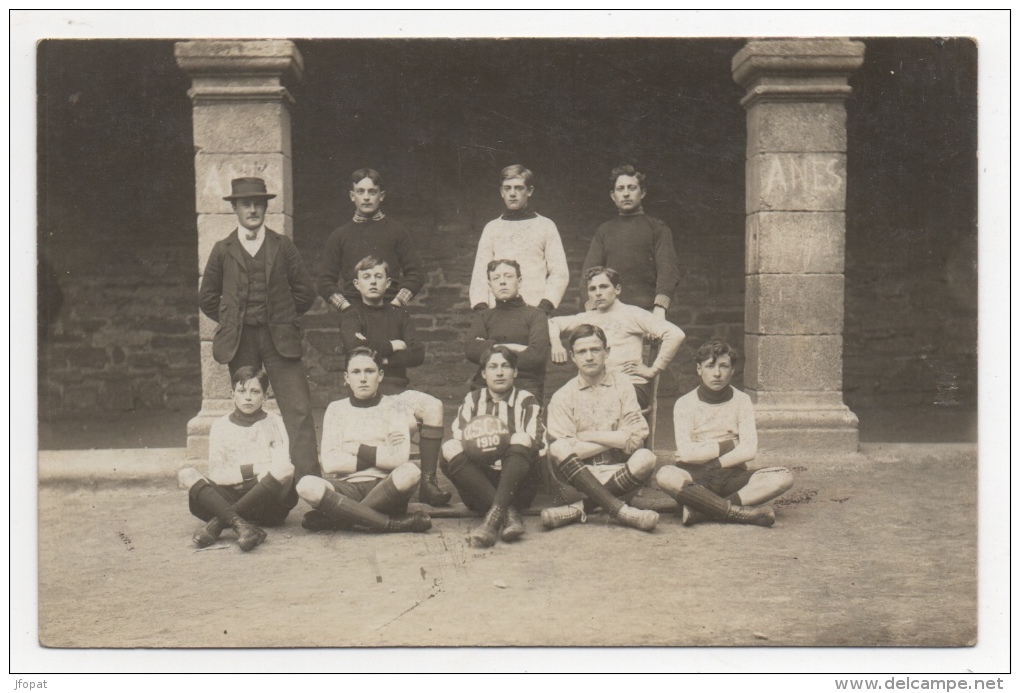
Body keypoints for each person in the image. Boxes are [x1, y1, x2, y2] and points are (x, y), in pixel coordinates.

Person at [199, 177, 319, 481]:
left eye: (257, 204)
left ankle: (309, 485)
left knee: (299, 411)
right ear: (235, 209)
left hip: (280, 338)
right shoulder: (222, 250)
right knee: (248, 409)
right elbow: (208, 297)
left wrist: (283, 316)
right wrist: (232, 319)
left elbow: (305, 291)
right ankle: (252, 485)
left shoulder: (283, 246)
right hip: (242, 341)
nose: (252, 209)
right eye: (245, 204)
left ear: (265, 207)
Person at [295, 347, 438, 533]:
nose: (363, 378)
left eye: (369, 371)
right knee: (306, 485)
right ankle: (391, 524)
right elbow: (330, 464)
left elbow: (399, 459)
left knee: (410, 472)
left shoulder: (395, 406)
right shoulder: (336, 409)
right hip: (345, 489)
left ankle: (339, 518)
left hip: (384, 487)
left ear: (380, 375)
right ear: (347, 378)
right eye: (356, 372)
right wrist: (381, 450)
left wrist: (355, 448)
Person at [656, 341, 794, 527]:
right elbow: (687, 453)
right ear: (699, 369)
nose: (717, 373)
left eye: (724, 366)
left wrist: (713, 461)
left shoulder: (742, 401)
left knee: (783, 476)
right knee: (665, 474)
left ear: (733, 369)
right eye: (710, 366)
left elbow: (749, 450)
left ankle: (702, 511)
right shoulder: (684, 403)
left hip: (731, 475)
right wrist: (729, 445)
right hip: (696, 478)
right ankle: (737, 512)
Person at [542, 324, 660, 532]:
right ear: (572, 356)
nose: (589, 357)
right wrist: (618, 439)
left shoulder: (623, 385)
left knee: (646, 458)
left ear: (607, 352)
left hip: (619, 476)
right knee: (558, 448)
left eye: (595, 350)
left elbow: (638, 436)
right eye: (582, 351)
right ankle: (622, 511)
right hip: (578, 479)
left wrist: (589, 436)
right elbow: (567, 450)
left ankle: (579, 509)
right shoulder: (563, 395)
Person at [178, 367, 296, 552]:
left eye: (255, 391)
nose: (248, 397)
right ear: (232, 394)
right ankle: (243, 526)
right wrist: (256, 469)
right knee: (186, 474)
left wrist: (239, 478)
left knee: (286, 469)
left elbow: (281, 467)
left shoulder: (274, 422)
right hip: (239, 492)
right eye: (242, 391)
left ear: (265, 396)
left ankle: (219, 522)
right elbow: (218, 476)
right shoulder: (220, 425)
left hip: (266, 503)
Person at [441, 345, 545, 547]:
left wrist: (501, 442)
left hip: (517, 486)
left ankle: (491, 522)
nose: (499, 372)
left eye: (505, 366)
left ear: (515, 372)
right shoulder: (472, 400)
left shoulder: (527, 400)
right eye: (493, 367)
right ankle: (507, 514)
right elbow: (460, 438)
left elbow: (536, 443)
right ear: (483, 373)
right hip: (478, 485)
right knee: (450, 446)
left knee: (522, 438)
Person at [549, 266, 685, 410]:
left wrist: (653, 370)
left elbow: (675, 334)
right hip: (596, 387)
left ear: (617, 289)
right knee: (562, 403)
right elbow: (551, 323)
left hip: (630, 386)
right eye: (592, 289)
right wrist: (556, 343)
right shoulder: (587, 317)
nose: (598, 293)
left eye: (604, 287)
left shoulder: (632, 313)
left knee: (595, 404)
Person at [318, 168, 425, 312]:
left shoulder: (397, 231)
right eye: (360, 191)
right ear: (352, 195)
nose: (366, 197)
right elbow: (324, 281)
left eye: (372, 192)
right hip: (353, 312)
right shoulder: (339, 236)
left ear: (381, 196)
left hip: (391, 310)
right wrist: (345, 307)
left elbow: (415, 274)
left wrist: (397, 303)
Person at [582, 165, 680, 317]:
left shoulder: (658, 228)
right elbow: (588, 274)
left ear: (642, 193)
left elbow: (667, 271)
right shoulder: (604, 231)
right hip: (610, 314)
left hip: (648, 313)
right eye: (620, 189)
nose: (626, 194)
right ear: (613, 195)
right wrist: (593, 310)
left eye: (632, 188)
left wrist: (659, 308)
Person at [468, 164, 568, 313]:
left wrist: (544, 307)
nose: (512, 193)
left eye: (519, 188)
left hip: (534, 310)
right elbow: (480, 273)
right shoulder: (492, 228)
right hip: (497, 312)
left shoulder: (545, 226)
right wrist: (482, 309)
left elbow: (559, 272)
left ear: (530, 191)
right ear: (501, 192)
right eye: (507, 188)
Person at [465, 259, 551, 403]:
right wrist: (516, 348)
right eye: (496, 278)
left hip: (524, 385)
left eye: (508, 276)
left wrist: (490, 347)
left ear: (520, 281)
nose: (502, 282)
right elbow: (471, 350)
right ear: (490, 285)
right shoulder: (483, 316)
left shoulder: (536, 315)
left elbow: (536, 357)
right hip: (486, 385)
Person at [340, 255, 425, 395]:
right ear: (356, 284)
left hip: (397, 387)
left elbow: (417, 354)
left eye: (378, 276)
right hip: (363, 390)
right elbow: (354, 348)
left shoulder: (399, 314)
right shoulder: (351, 315)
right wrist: (393, 346)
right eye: (366, 277)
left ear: (388, 282)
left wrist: (379, 357)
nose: (373, 282)